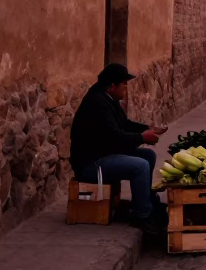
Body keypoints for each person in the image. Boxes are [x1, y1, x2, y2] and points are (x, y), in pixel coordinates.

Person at [70, 63, 168, 231]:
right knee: (140, 166)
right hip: (92, 163)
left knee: (148, 156)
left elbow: (124, 124)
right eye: (124, 84)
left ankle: (146, 200)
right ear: (112, 86)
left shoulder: (108, 99)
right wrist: (142, 137)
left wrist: (147, 129)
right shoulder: (97, 103)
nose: (126, 88)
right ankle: (141, 215)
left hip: (103, 153)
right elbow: (114, 137)